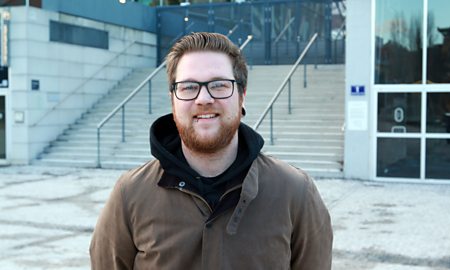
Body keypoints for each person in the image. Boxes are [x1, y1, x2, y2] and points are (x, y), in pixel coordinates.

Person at [90, 32, 333, 270]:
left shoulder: (295, 193)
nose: (203, 99)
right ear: (173, 100)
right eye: (188, 87)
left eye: (218, 85)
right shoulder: (130, 195)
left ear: (242, 97)